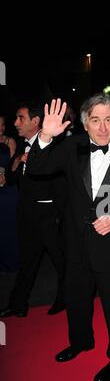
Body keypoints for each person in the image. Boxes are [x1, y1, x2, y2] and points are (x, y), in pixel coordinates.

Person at [26, 93, 110, 381]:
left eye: (109, 120)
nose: (103, 128)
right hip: (74, 240)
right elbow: (35, 168)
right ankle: (81, 341)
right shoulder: (72, 146)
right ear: (85, 123)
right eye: (96, 120)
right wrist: (45, 135)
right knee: (76, 297)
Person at [0, 102, 65, 317]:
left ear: (35, 121)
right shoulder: (21, 145)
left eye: (21, 118)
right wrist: (18, 160)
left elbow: (61, 184)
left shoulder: (55, 145)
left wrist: (58, 215)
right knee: (27, 261)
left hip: (48, 216)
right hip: (26, 214)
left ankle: (65, 299)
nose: (15, 123)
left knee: (61, 261)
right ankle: (18, 305)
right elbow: (9, 178)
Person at [0, 115, 19, 272]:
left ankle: (11, 263)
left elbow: (13, 167)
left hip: (7, 190)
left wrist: (5, 177)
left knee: (9, 226)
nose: (1, 128)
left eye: (3, 125)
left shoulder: (9, 141)